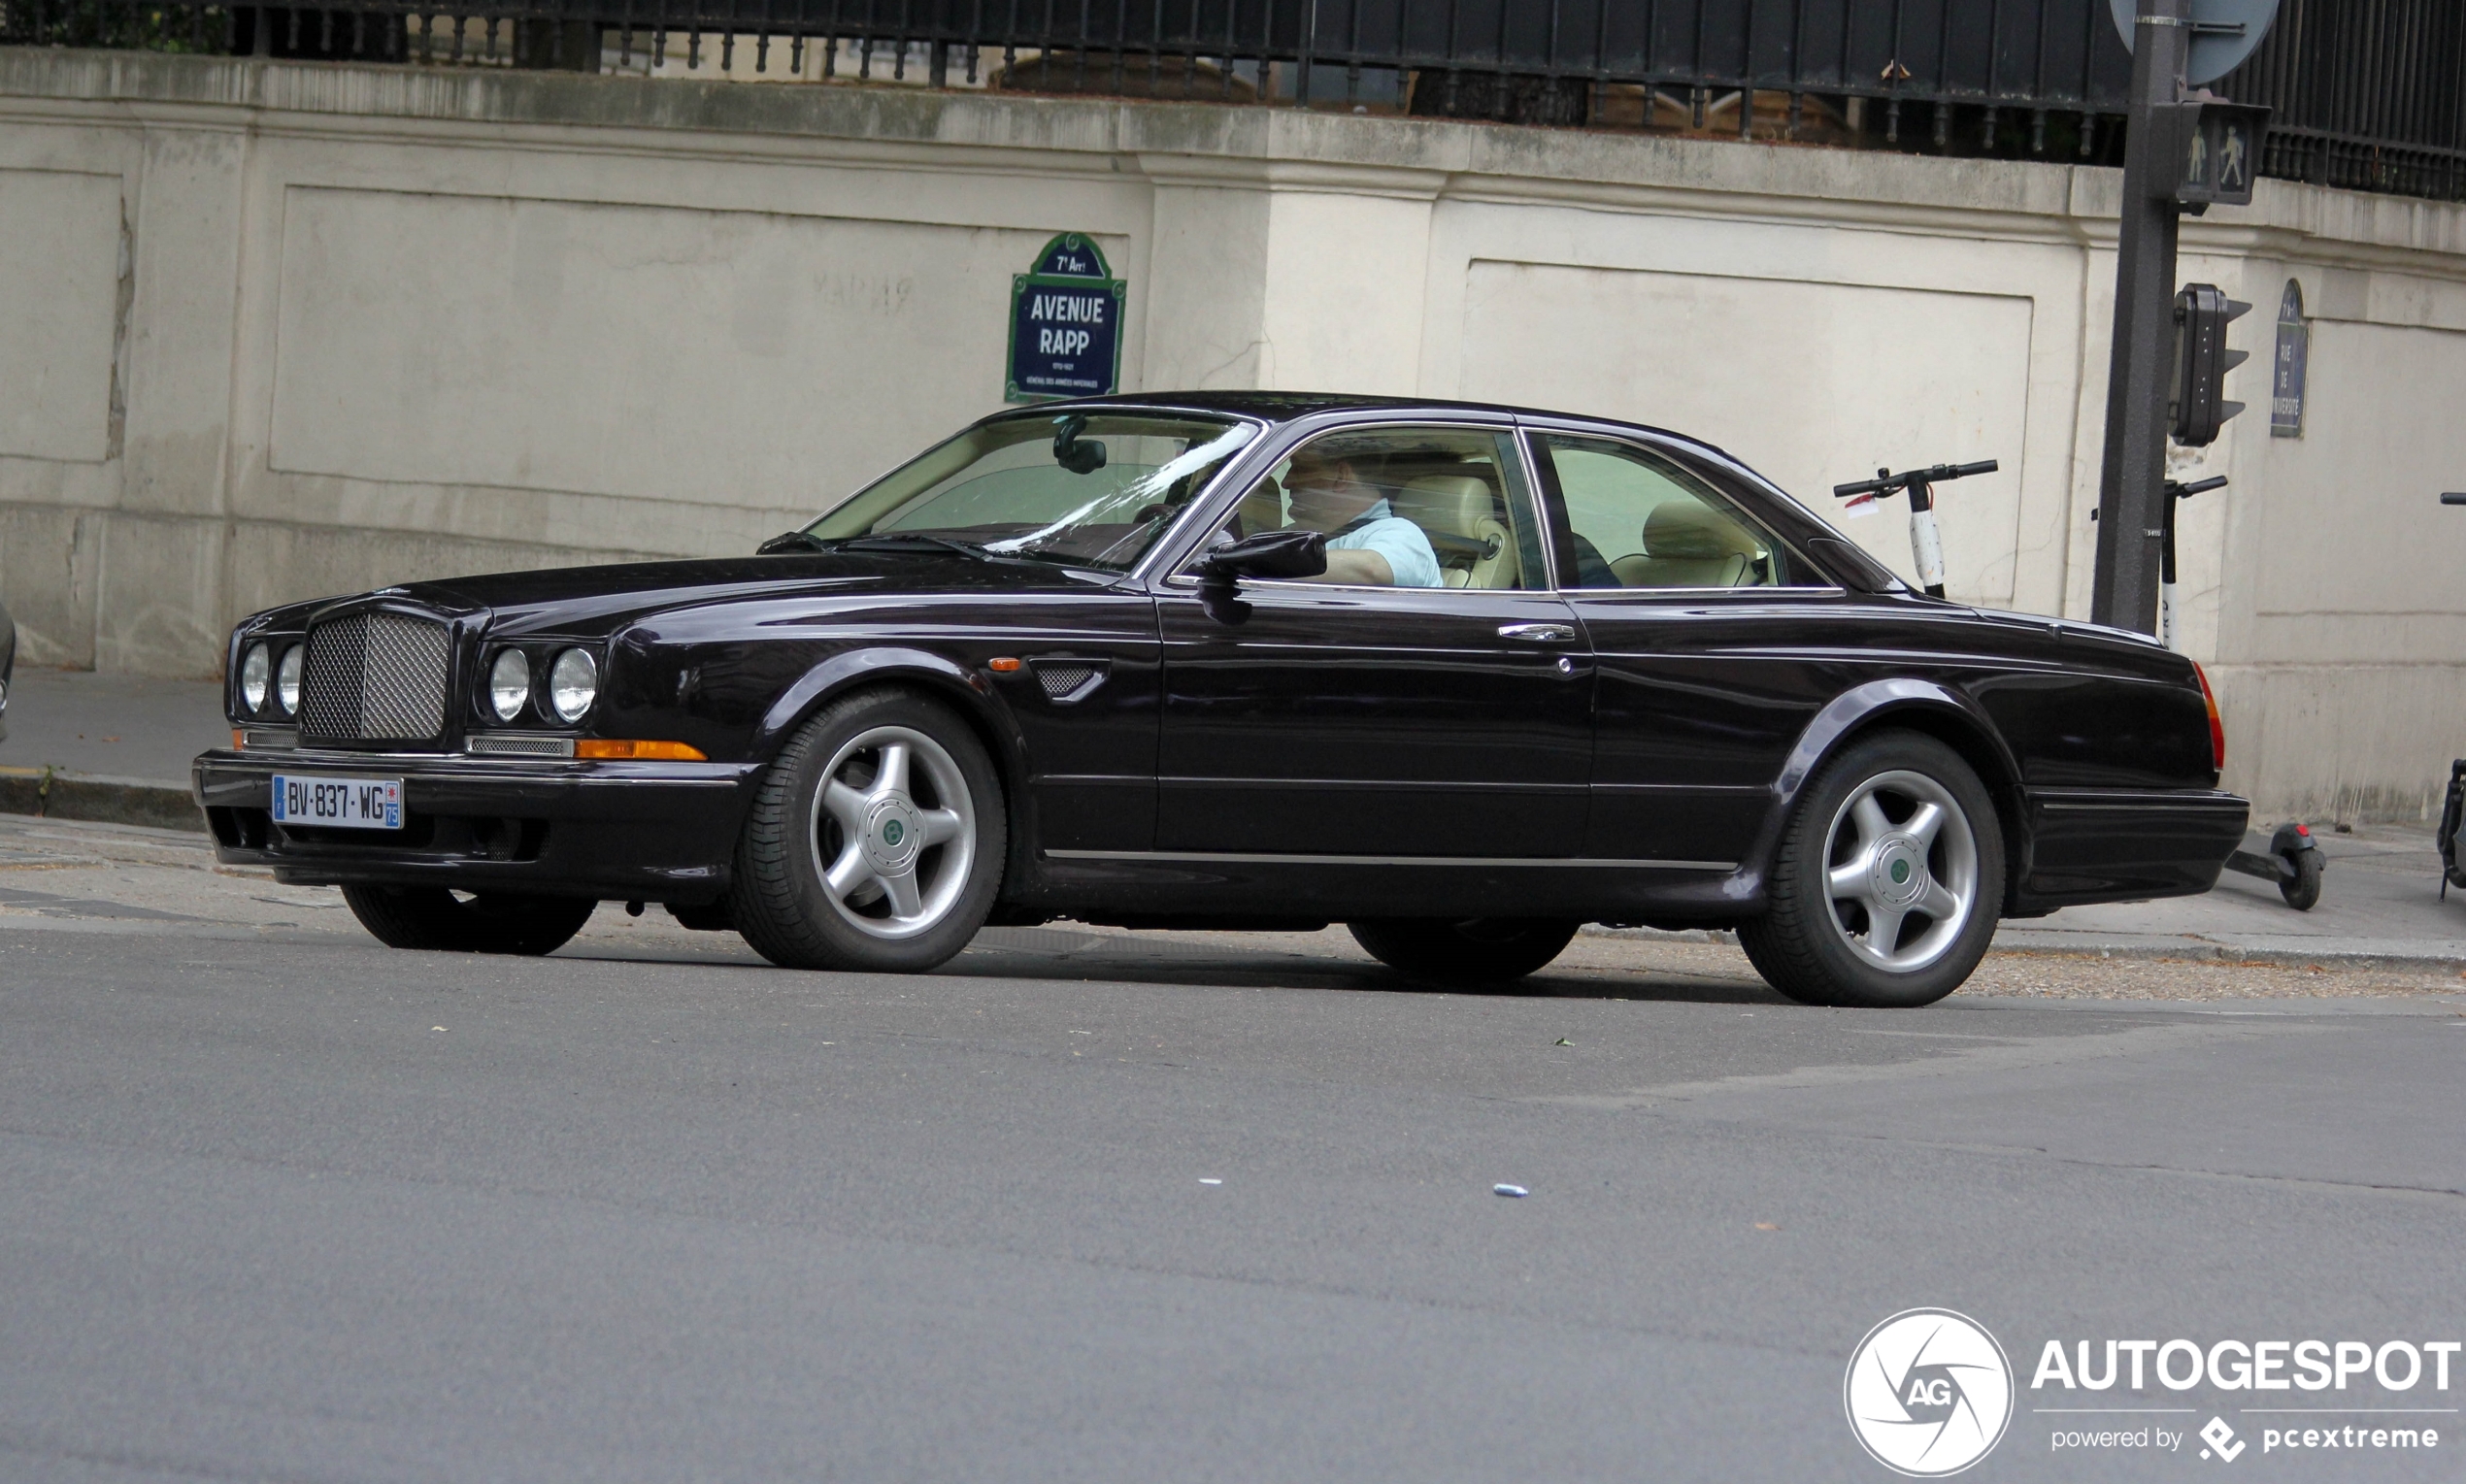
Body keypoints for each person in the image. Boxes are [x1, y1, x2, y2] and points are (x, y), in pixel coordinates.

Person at [1280, 450, 1443, 587]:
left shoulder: (1400, 532)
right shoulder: (1298, 532)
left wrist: (1265, 562)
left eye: (1301, 469)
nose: (1286, 482)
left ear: (1341, 477)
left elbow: (1373, 569)